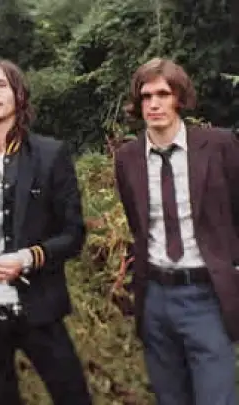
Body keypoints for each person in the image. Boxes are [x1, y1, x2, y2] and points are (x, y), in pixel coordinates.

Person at [0, 58, 92, 405]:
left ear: (18, 95)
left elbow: (73, 234)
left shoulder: (50, 155)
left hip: (39, 307)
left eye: (1, 85)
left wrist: (27, 258)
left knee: (73, 397)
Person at [114, 57, 239, 405]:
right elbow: (137, 224)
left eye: (163, 94)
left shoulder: (218, 145)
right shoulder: (127, 158)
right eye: (146, 96)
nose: (154, 104)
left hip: (206, 294)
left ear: (179, 98)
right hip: (155, 296)